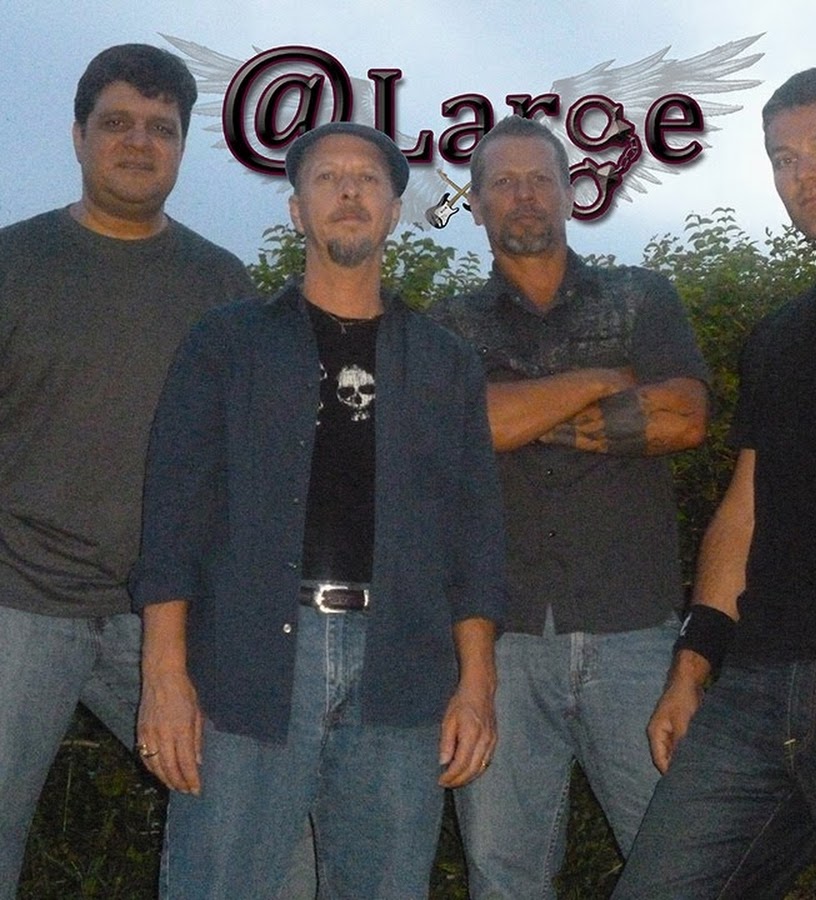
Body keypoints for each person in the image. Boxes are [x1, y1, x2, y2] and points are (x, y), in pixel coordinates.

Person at [129, 120, 506, 899]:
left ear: (394, 210)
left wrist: (477, 684)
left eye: (367, 179)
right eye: (327, 178)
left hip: (403, 669)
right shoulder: (227, 344)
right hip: (250, 664)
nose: (348, 191)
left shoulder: (444, 363)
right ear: (298, 210)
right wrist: (165, 677)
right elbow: (172, 518)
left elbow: (472, 536)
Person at [613, 66, 816, 900]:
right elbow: (744, 509)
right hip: (755, 686)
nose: (803, 174)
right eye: (782, 158)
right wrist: (692, 665)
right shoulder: (779, 335)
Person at [428, 115, 710, 898]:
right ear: (476, 204)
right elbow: (458, 431)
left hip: (636, 631)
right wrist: (601, 381)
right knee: (503, 874)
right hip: (500, 640)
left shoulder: (641, 297)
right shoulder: (447, 324)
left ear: (570, 192)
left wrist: (516, 415)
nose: (524, 195)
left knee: (680, 866)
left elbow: (686, 417)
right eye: (504, 182)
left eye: (540, 179)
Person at [0, 44, 257, 897]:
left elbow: (245, 467)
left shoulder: (223, 287)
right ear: (78, 136)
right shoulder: (12, 265)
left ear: (181, 147)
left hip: (166, 620)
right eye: (117, 123)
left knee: (248, 824)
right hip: (17, 602)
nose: (139, 143)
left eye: (162, 128)